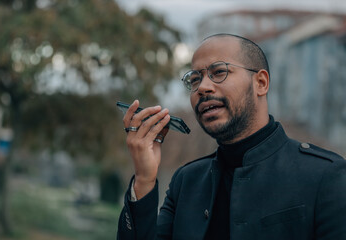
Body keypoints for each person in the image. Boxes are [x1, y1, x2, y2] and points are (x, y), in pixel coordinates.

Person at [117, 33, 346, 240]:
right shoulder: (187, 181)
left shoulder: (326, 176)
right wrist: (144, 178)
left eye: (219, 72)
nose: (203, 87)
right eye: (194, 79)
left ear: (261, 83)